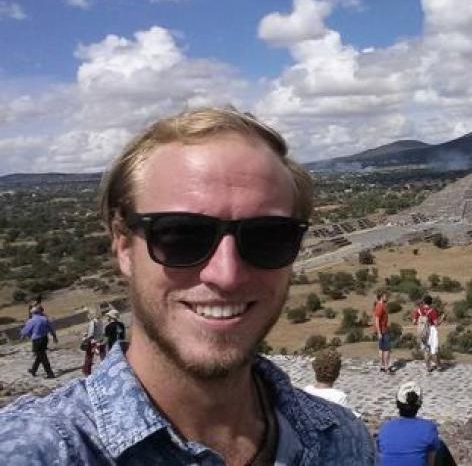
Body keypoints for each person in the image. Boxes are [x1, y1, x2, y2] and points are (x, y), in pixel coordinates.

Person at [0, 107, 374, 465]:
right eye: (181, 235)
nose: (226, 275)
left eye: (268, 237)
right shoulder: (36, 451)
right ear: (124, 246)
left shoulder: (342, 441)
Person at [377, 381, 456, 466]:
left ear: (397, 404)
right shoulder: (428, 428)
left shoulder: (385, 428)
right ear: (419, 405)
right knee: (440, 445)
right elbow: (431, 463)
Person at [20, 306, 57, 379]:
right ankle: (33, 370)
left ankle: (50, 374)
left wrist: (22, 336)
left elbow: (25, 331)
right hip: (45, 339)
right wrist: (54, 337)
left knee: (42, 356)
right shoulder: (44, 319)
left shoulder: (31, 321)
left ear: (32, 313)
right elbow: (51, 328)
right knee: (40, 355)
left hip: (37, 340)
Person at [413, 295, 444, 373]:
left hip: (422, 332)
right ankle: (438, 366)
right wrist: (442, 319)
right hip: (431, 331)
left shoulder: (418, 310)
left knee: (426, 350)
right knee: (434, 350)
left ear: (423, 302)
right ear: (431, 302)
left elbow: (414, 322)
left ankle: (428, 367)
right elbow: (436, 323)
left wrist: (421, 323)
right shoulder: (432, 311)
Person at [81, 309, 106, 376]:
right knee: (102, 356)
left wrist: (85, 339)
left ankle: (86, 371)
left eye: (89, 315)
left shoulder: (92, 322)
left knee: (88, 357)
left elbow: (91, 334)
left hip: (93, 341)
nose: (88, 316)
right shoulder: (100, 321)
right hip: (99, 340)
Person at [375, 289, 392, 373]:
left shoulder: (381, 305)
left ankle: (382, 366)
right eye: (385, 296)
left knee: (381, 349)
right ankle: (386, 367)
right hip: (383, 331)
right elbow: (377, 320)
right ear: (381, 297)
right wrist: (379, 332)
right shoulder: (380, 306)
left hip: (382, 330)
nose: (387, 297)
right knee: (386, 349)